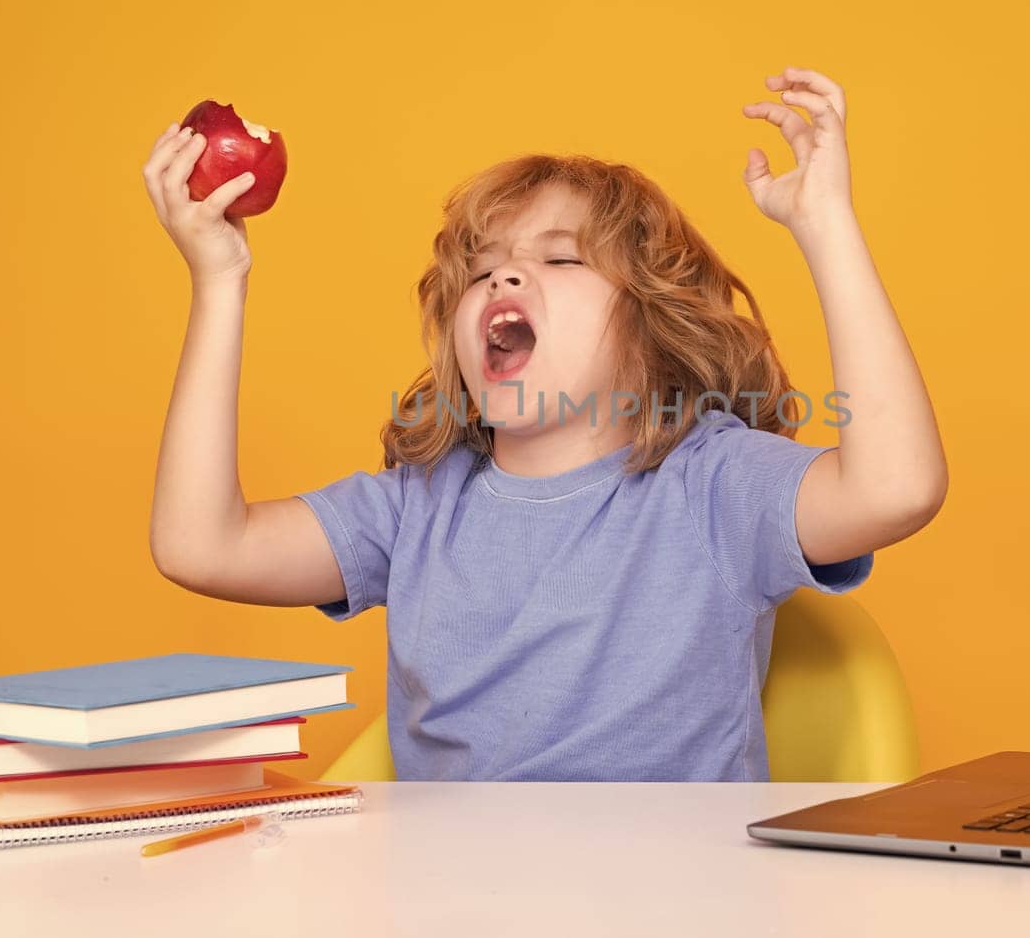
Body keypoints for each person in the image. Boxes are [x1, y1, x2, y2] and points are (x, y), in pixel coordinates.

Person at [143, 66, 948, 780]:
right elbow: (199, 545)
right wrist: (220, 281)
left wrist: (826, 225)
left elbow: (897, 488)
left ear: (654, 327)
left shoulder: (712, 485)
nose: (506, 277)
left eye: (561, 260)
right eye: (482, 270)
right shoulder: (415, 507)